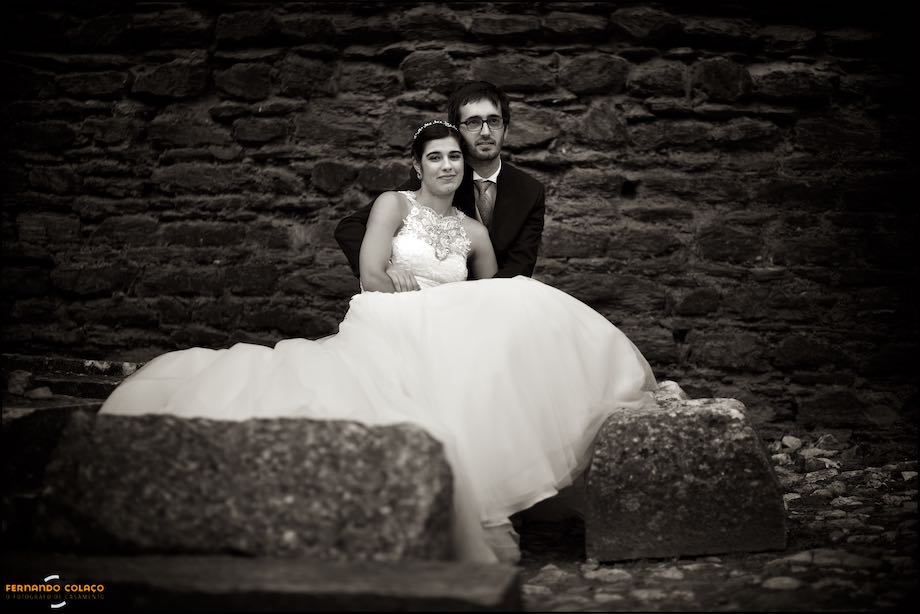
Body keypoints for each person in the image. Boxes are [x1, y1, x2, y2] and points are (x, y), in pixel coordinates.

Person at [100, 121, 658, 565]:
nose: (446, 165)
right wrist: (403, 291)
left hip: (450, 324)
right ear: (417, 165)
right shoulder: (394, 204)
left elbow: (493, 290)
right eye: (435, 156)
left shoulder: (475, 231)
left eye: (455, 157)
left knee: (521, 301)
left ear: (467, 167)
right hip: (391, 316)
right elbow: (370, 271)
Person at [335, 80, 545, 287]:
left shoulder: (530, 191)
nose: (485, 132)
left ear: (506, 129)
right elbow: (351, 227)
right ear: (457, 132)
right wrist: (383, 266)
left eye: (494, 121)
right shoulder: (437, 179)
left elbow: (520, 266)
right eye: (473, 122)